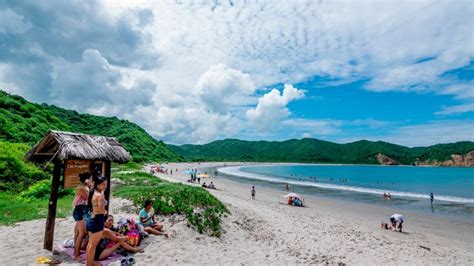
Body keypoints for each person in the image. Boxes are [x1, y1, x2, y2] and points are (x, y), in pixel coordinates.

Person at [86, 175, 108, 266]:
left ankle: (90, 262)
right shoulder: (100, 196)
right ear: (98, 185)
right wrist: (105, 212)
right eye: (103, 184)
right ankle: (90, 264)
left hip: (92, 219)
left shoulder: (94, 193)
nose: (105, 186)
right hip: (98, 220)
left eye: (106, 184)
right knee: (93, 245)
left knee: (90, 244)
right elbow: (101, 210)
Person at [72, 172, 92, 258]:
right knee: (82, 233)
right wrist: (91, 187)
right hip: (80, 209)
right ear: (87, 179)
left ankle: (76, 250)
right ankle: (76, 254)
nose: (92, 180)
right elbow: (89, 198)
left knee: (77, 232)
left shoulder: (85, 187)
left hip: (82, 209)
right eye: (90, 178)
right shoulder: (81, 187)